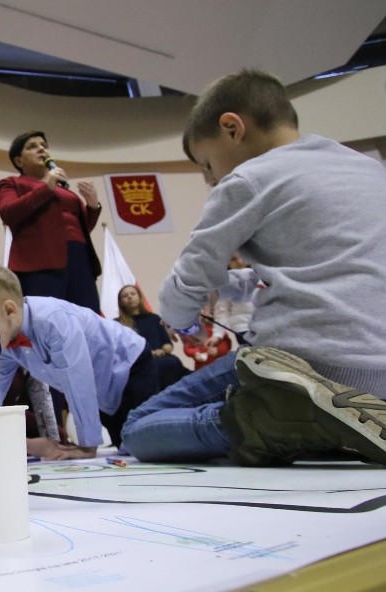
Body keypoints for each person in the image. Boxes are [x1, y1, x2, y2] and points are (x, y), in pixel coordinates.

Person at [121, 69, 386, 466]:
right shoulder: (368, 169)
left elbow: (184, 288)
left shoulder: (249, 179)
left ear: (232, 128)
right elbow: (328, 263)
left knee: (138, 427)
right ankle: (338, 425)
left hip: (301, 367)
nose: (210, 179)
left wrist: (184, 319)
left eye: (207, 164)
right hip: (378, 375)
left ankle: (286, 424)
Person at [0, 262, 159, 458]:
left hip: (130, 365)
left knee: (145, 443)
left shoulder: (53, 320)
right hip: (101, 389)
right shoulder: (4, 340)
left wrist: (87, 446)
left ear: (10, 311)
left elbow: (78, 380)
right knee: (126, 447)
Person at [0, 130, 103, 312]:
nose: (41, 149)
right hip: (40, 263)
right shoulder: (11, 183)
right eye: (32, 146)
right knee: (49, 319)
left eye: (44, 146)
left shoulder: (65, 190)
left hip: (80, 259)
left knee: (88, 317)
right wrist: (46, 186)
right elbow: (8, 213)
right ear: (19, 161)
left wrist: (93, 206)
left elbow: (80, 228)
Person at [116, 284, 190, 388]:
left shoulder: (154, 318)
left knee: (172, 363)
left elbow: (167, 344)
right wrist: (146, 354)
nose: (129, 297)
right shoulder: (117, 324)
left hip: (162, 358)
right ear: (120, 302)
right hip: (138, 363)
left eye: (133, 294)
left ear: (139, 297)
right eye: (125, 296)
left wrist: (162, 351)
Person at [182, 302, 232, 370]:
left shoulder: (217, 329)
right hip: (202, 366)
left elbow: (226, 343)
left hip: (220, 364)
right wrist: (195, 353)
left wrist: (218, 350)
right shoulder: (192, 330)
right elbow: (187, 347)